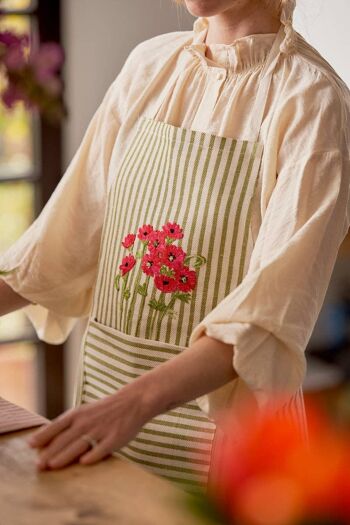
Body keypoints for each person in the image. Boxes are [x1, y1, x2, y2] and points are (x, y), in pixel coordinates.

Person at [0, 0, 349, 494]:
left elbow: (263, 322)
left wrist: (134, 404)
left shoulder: (313, 102)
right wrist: (119, 408)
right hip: (104, 419)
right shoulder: (149, 66)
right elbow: (58, 247)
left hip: (227, 459)